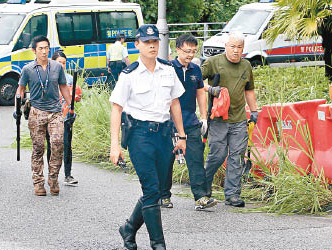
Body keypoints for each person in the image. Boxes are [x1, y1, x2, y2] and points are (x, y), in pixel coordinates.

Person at [110, 24, 187, 250]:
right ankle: (158, 244)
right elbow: (116, 108)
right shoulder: (129, 74)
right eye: (146, 42)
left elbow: (175, 104)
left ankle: (128, 229)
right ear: (137, 45)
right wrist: (115, 146)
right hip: (139, 136)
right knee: (152, 189)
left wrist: (181, 135)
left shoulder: (168, 69)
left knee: (158, 190)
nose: (152, 45)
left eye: (154, 42)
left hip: (164, 135)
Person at [161, 34, 218, 210]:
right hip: (168, 123)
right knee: (165, 161)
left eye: (193, 51)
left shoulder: (196, 69)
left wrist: (203, 117)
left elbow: (201, 92)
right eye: (187, 51)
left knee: (196, 159)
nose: (190, 54)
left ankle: (201, 197)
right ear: (177, 49)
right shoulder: (167, 68)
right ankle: (163, 196)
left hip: (190, 121)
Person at [201, 31, 258, 207]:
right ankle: (203, 188)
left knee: (237, 157)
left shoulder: (246, 66)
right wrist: (210, 89)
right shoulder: (213, 62)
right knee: (217, 156)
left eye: (239, 47)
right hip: (218, 118)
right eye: (232, 46)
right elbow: (197, 82)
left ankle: (232, 194)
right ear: (226, 46)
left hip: (239, 119)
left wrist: (254, 111)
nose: (235, 51)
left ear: (243, 49)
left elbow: (249, 90)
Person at [16, 35, 71, 196]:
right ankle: (38, 182)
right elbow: (20, 89)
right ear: (34, 51)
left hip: (55, 111)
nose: (44, 51)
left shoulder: (57, 67)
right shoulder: (27, 69)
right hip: (36, 111)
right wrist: (18, 106)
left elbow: (63, 87)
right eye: (40, 48)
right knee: (38, 147)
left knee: (57, 143)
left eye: (46, 48)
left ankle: (53, 178)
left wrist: (71, 106)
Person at [45, 50, 81, 186]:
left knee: (67, 145)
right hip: (50, 117)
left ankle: (68, 175)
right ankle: (51, 173)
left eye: (64, 63)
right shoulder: (47, 77)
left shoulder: (70, 79)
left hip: (66, 117)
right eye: (59, 62)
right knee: (52, 145)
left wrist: (76, 99)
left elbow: (74, 98)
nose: (62, 65)